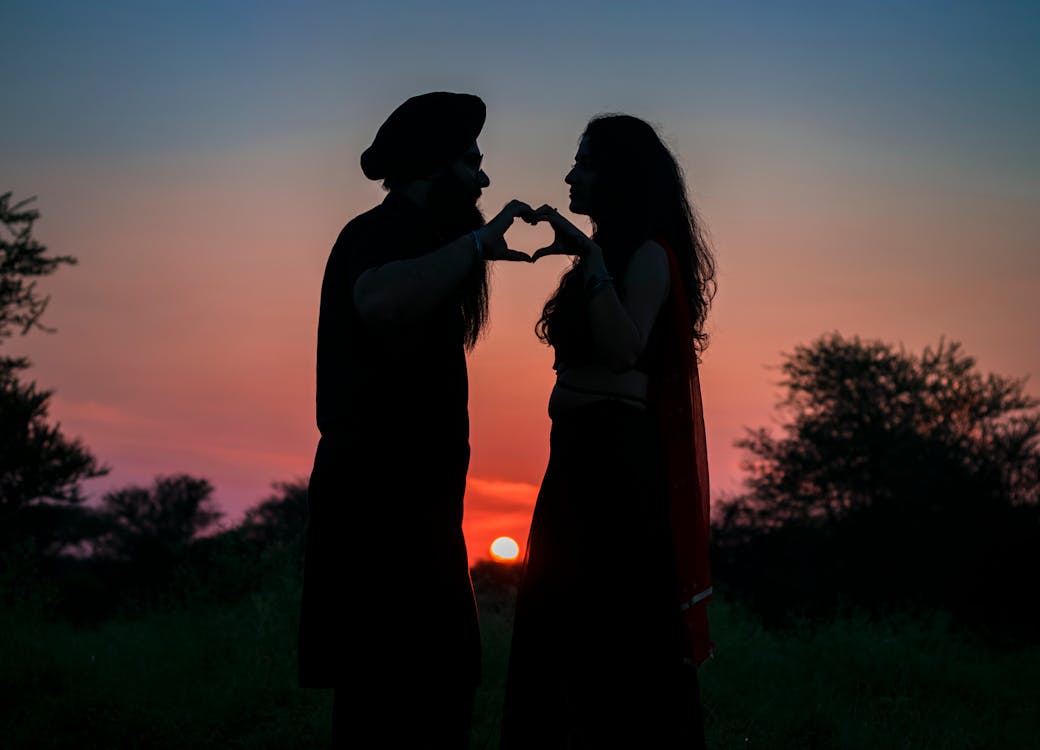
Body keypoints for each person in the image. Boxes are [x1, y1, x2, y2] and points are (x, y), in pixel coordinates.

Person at [297, 91, 532, 749]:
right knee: (391, 704)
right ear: (435, 165)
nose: (484, 178)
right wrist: (481, 244)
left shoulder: (424, 240)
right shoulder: (377, 234)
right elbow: (382, 301)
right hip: (377, 515)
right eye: (471, 161)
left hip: (419, 514)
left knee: (436, 692)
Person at [500, 114, 717, 748]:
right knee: (558, 620)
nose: (570, 175)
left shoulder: (648, 255)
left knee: (612, 627)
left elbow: (624, 348)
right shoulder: (602, 259)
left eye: (585, 163)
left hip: (616, 470)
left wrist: (590, 257)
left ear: (618, 176)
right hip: (573, 461)